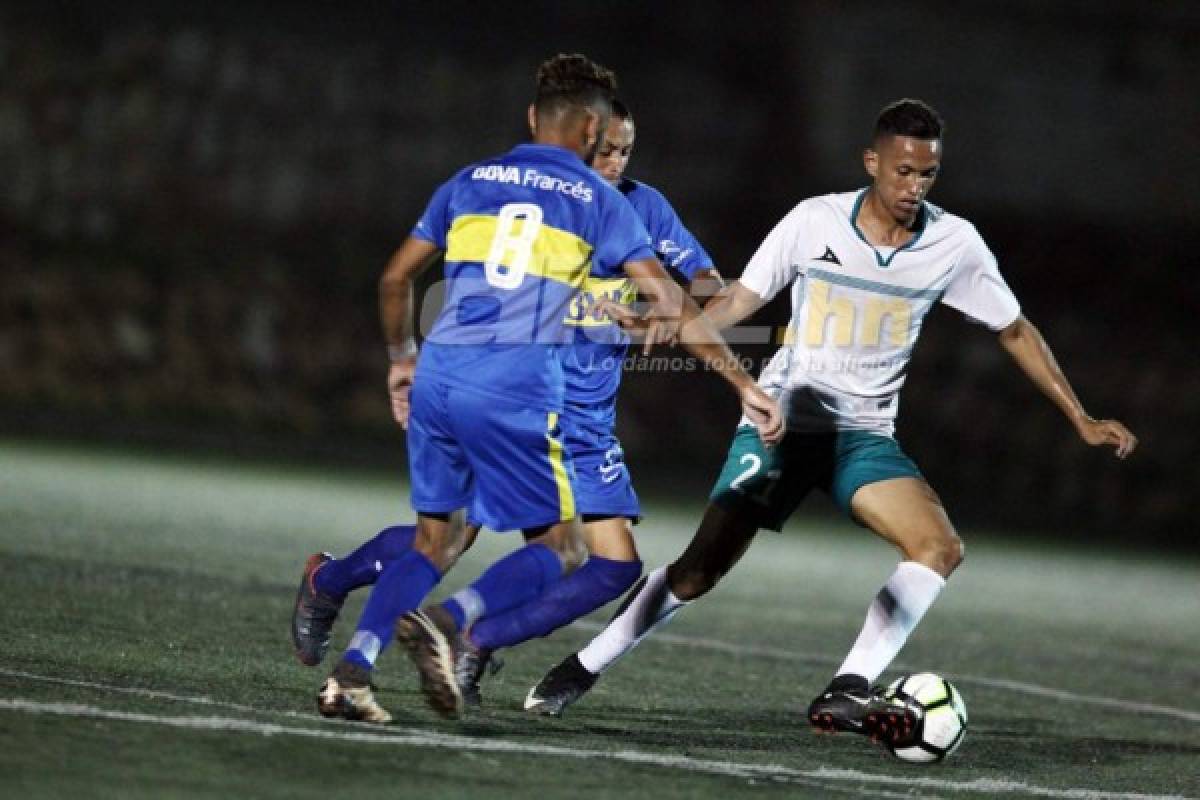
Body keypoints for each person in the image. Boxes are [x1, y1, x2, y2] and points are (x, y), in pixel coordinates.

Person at [523, 98, 1138, 749]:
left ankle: (847, 689)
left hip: (864, 437)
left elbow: (1013, 327)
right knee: (699, 571)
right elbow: (738, 299)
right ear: (872, 162)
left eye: (927, 174)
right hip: (780, 424)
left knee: (939, 548)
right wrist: (659, 325)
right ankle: (580, 667)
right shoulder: (815, 220)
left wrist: (1081, 417)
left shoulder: (954, 244)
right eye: (903, 171)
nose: (914, 187)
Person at [307, 53, 781, 723]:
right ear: (586, 133)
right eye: (607, 147)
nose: (614, 162)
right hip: (531, 398)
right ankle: (435, 623)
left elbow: (702, 290)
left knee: (574, 561)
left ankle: (385, 633)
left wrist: (402, 358)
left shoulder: (607, 201)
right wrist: (733, 376)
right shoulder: (579, 206)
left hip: (529, 398)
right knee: (516, 546)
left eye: (626, 152)